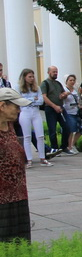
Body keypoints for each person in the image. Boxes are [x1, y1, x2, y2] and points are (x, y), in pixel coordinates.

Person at [0, 88, 32, 241]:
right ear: (2, 106)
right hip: (2, 201)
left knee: (21, 243)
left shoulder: (10, 126)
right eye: (16, 106)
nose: (19, 110)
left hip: (19, 196)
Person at [18, 69, 52, 167]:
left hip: (35, 112)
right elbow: (20, 100)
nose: (32, 79)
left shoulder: (37, 88)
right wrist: (33, 99)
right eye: (29, 77)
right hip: (25, 112)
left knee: (40, 136)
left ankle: (43, 158)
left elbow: (41, 101)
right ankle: (29, 160)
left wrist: (29, 100)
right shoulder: (19, 88)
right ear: (24, 77)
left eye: (33, 76)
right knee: (27, 136)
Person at [40, 65, 71, 155]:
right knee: (52, 129)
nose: (55, 73)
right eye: (54, 72)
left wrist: (64, 95)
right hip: (50, 109)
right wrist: (54, 106)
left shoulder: (58, 83)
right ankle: (54, 148)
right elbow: (44, 97)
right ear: (49, 72)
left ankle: (64, 146)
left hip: (60, 108)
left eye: (56, 71)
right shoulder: (45, 83)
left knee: (67, 126)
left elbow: (62, 93)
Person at [62, 74, 82, 154]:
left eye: (73, 80)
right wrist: (65, 95)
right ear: (66, 81)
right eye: (70, 80)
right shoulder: (64, 89)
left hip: (76, 111)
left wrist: (80, 106)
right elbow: (61, 99)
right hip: (68, 112)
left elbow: (77, 100)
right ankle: (69, 147)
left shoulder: (75, 90)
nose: (72, 82)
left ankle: (72, 145)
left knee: (81, 129)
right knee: (71, 130)